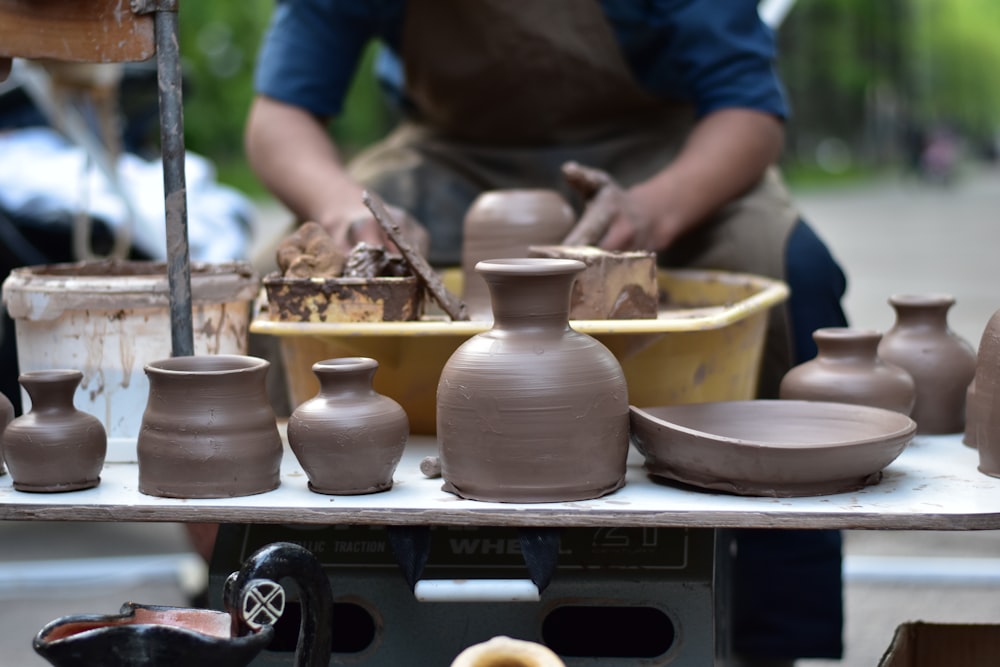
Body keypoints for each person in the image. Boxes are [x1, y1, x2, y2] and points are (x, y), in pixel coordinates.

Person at [245, 2, 848, 664]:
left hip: (656, 155)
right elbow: (279, 114)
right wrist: (343, 212)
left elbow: (749, 109)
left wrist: (656, 209)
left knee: (794, 271)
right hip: (451, 158)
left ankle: (775, 637)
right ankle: (274, 607)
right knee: (268, 300)